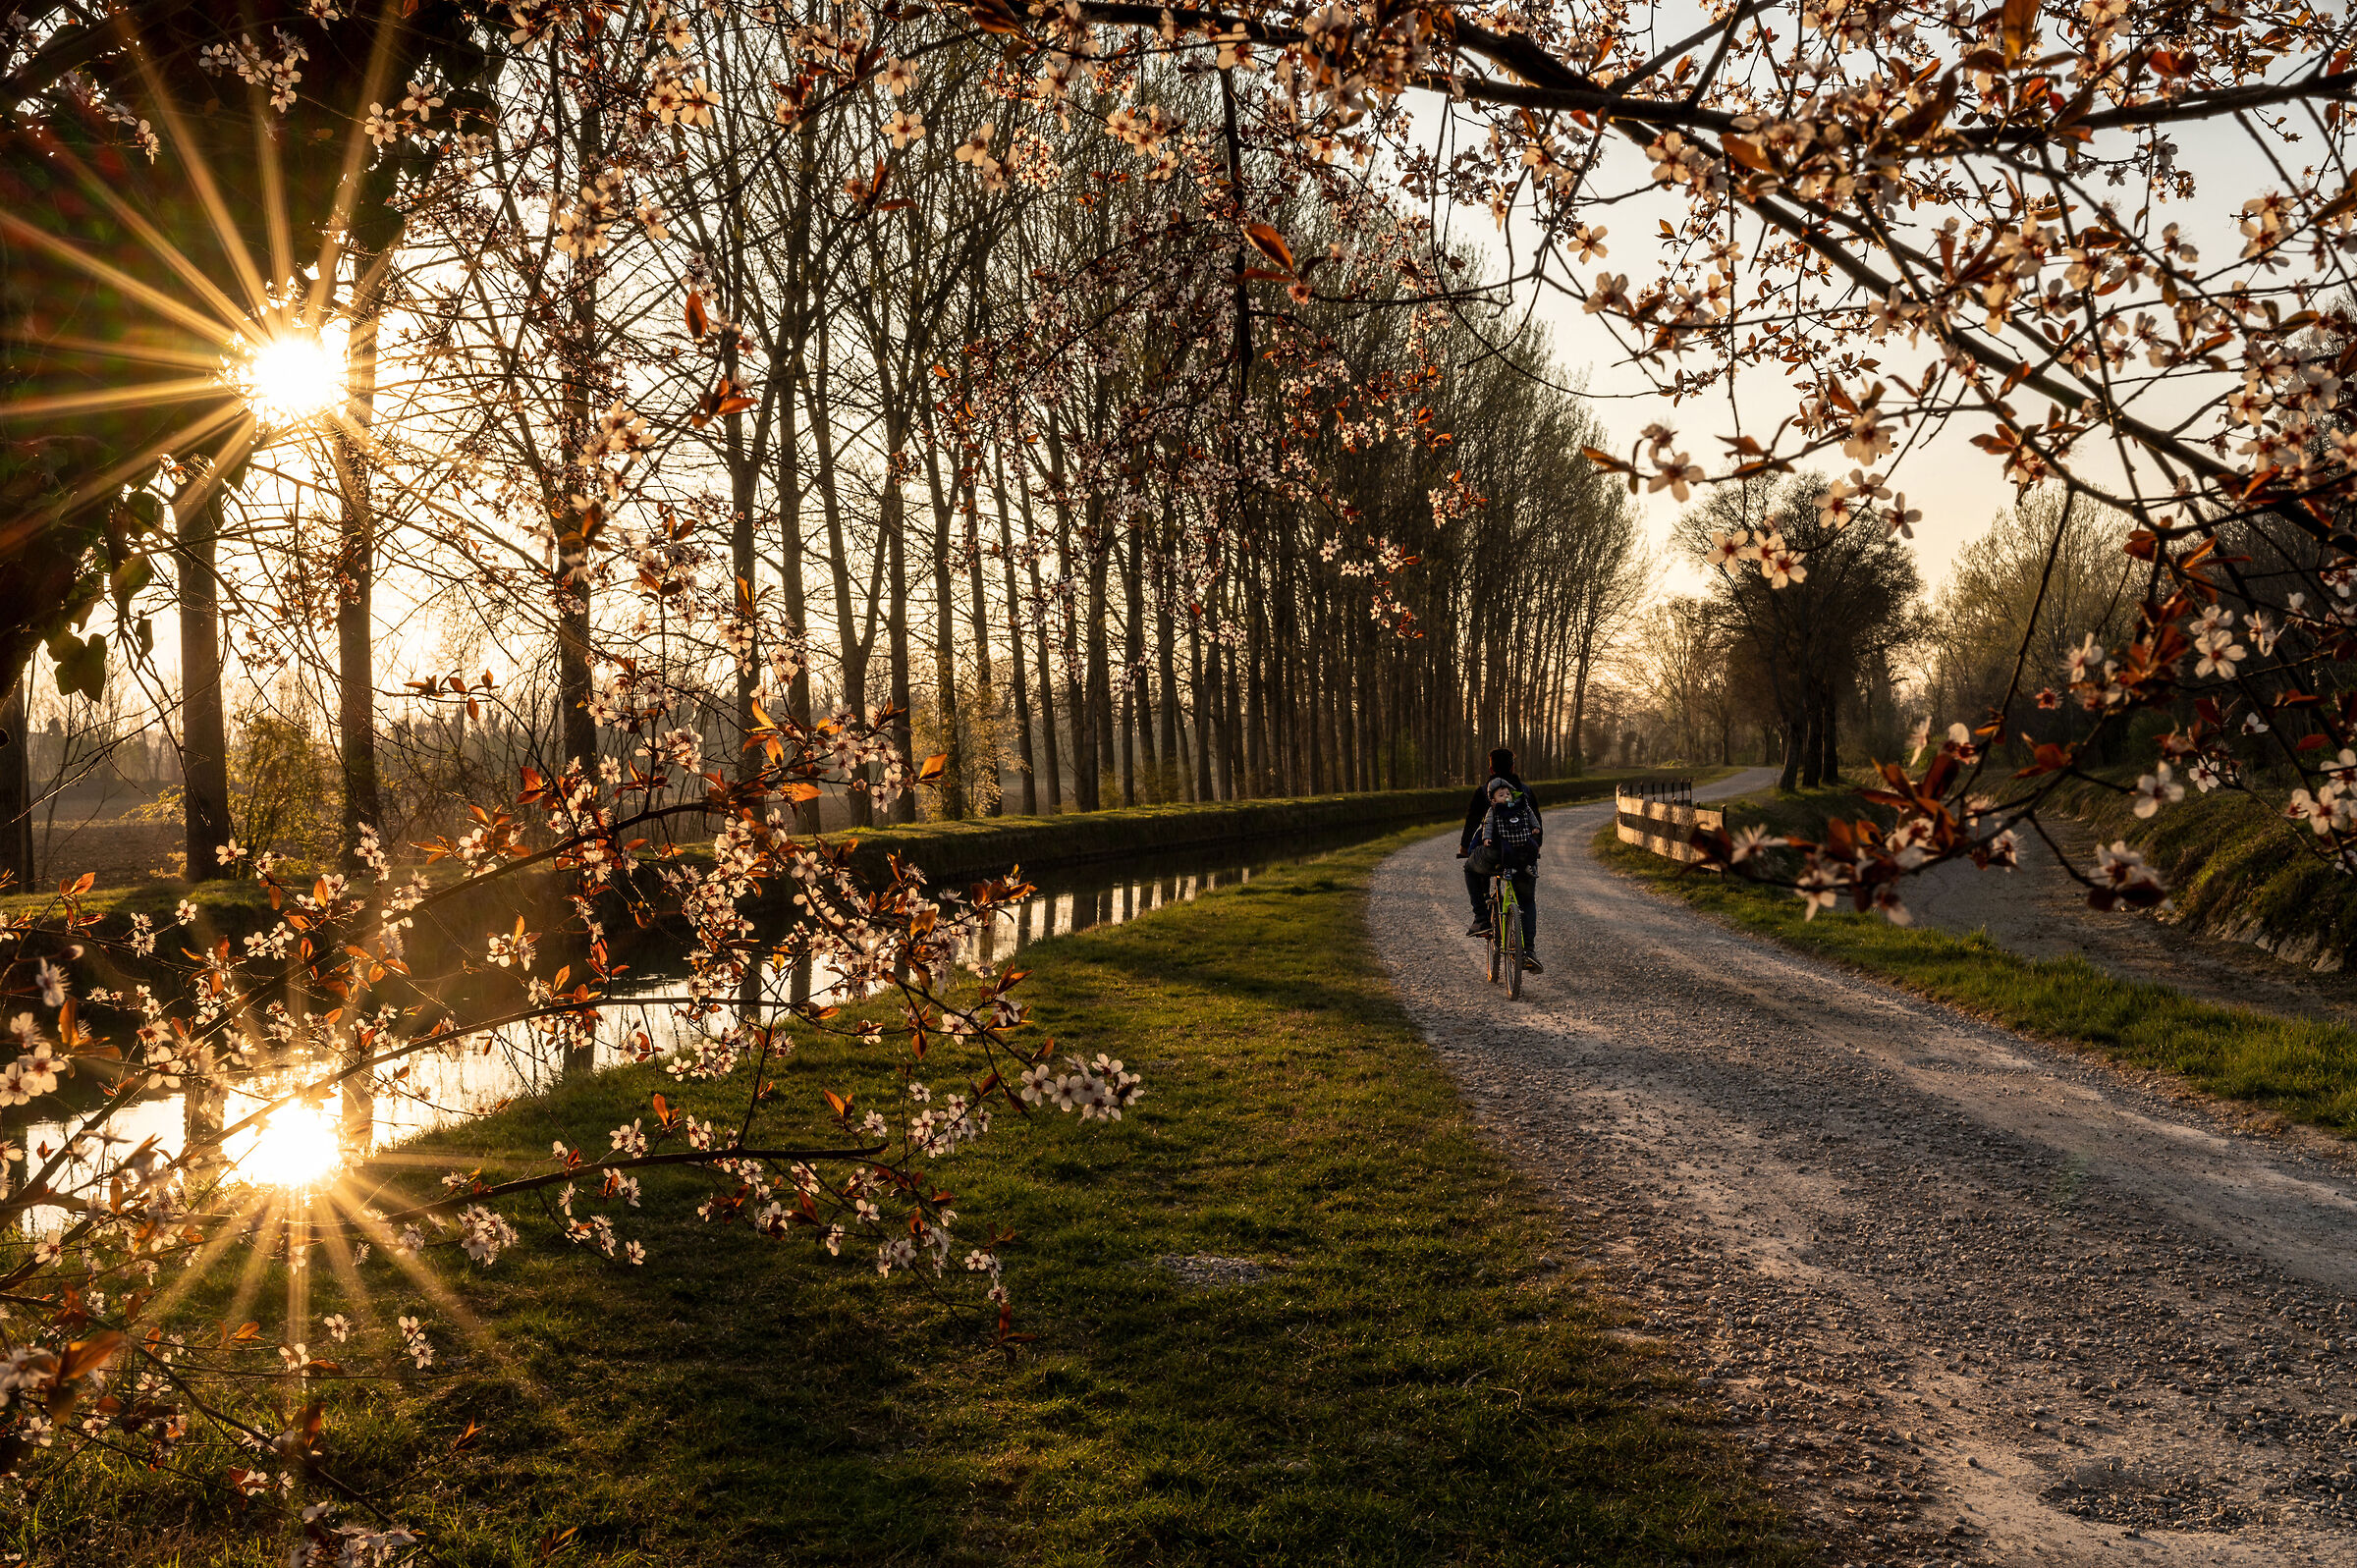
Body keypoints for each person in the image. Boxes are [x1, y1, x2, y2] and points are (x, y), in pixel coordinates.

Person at [1457, 747, 1543, 972]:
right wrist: (1534, 849)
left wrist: (1465, 848)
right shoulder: (1524, 792)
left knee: (1470, 868)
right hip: (1522, 854)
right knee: (1526, 900)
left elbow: (1471, 822)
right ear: (1513, 768)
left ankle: (1482, 919)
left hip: (1493, 853)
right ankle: (1529, 951)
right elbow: (1538, 828)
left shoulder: (1483, 792)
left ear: (1491, 768)